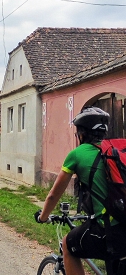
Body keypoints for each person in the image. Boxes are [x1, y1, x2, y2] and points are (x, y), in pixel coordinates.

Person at [35, 106, 126, 275]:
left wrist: (43, 217)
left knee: (68, 246)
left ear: (82, 134)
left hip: (110, 230)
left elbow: (54, 194)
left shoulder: (77, 154)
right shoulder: (116, 151)